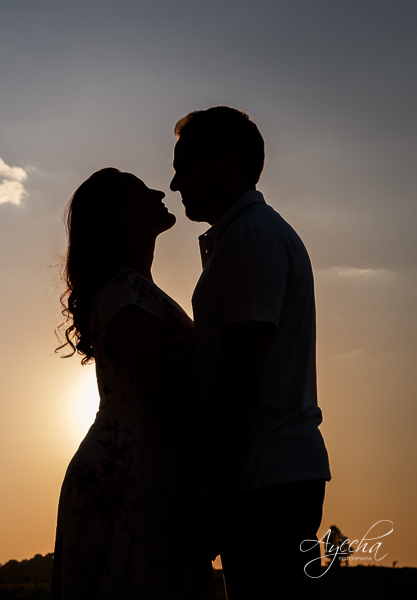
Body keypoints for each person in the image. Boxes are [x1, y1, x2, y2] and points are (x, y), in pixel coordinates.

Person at [169, 106, 331, 599]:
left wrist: (209, 484)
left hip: (265, 481)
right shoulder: (246, 236)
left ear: (222, 162)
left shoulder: (251, 238)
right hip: (267, 475)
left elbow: (241, 373)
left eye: (184, 166)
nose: (175, 184)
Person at [52, 167, 216, 599]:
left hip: (141, 466)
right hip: (131, 474)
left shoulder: (133, 290)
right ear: (121, 219)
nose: (161, 191)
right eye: (142, 190)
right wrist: (202, 489)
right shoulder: (124, 295)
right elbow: (164, 401)